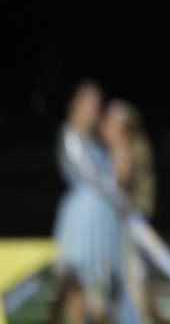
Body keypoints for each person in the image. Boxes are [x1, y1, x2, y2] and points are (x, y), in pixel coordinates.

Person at [51, 80, 124, 324]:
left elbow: (114, 175)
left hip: (103, 215)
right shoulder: (69, 136)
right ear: (75, 105)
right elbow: (92, 177)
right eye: (90, 105)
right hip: (82, 216)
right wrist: (120, 200)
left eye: (97, 106)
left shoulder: (95, 141)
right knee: (77, 278)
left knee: (102, 283)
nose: (95, 111)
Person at [101, 99, 159, 324]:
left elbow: (116, 183)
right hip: (129, 220)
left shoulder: (126, 148)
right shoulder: (132, 145)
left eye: (111, 120)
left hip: (129, 222)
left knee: (132, 275)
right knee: (133, 275)